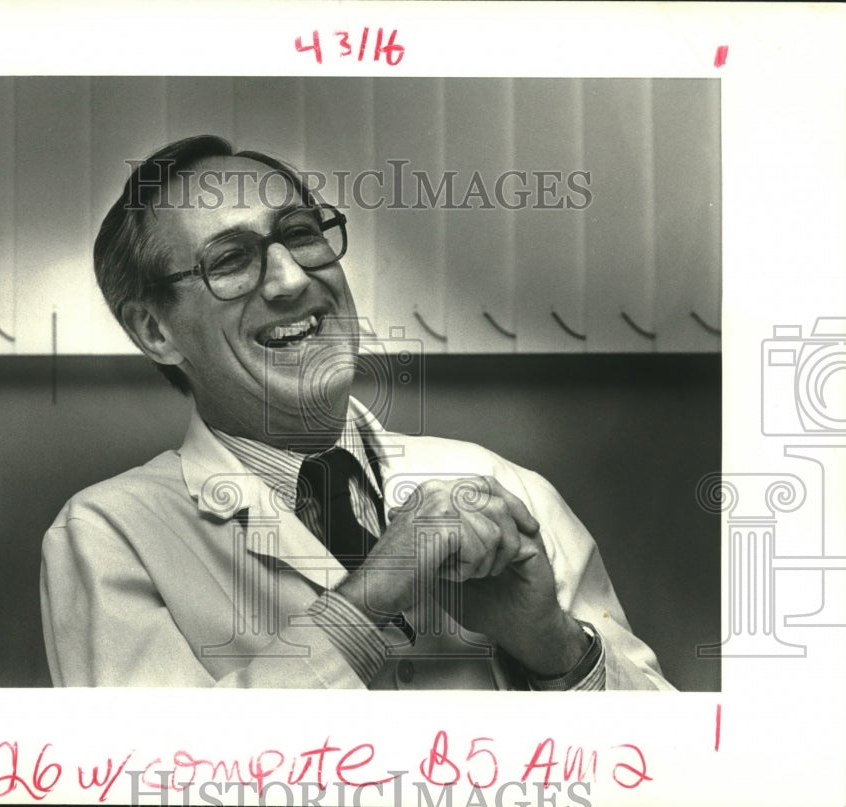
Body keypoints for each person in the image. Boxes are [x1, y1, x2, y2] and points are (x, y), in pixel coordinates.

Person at [40, 135, 674, 691]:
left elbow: (667, 765)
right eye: (230, 261)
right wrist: (378, 589)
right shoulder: (106, 534)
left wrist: (553, 645)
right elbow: (149, 774)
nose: (290, 280)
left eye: (300, 234)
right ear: (156, 331)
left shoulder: (504, 484)